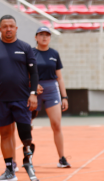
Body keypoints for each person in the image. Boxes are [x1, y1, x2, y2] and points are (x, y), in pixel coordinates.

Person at [0, 15, 39, 181]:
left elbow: (34, 73)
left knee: (26, 135)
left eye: (11, 26)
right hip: (1, 100)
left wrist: (33, 93)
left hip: (22, 98)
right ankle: (9, 169)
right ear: (0, 29)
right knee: (5, 134)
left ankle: (28, 161)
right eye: (4, 26)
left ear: (16, 28)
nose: (8, 29)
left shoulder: (25, 47)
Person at [32, 26, 71, 168]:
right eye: (41, 34)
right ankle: (27, 157)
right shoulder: (30, 53)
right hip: (34, 90)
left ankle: (61, 158)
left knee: (56, 125)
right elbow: (24, 73)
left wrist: (64, 97)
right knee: (26, 125)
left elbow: (59, 78)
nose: (44, 37)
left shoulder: (54, 53)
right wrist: (32, 85)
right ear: (36, 37)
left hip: (51, 89)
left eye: (47, 35)